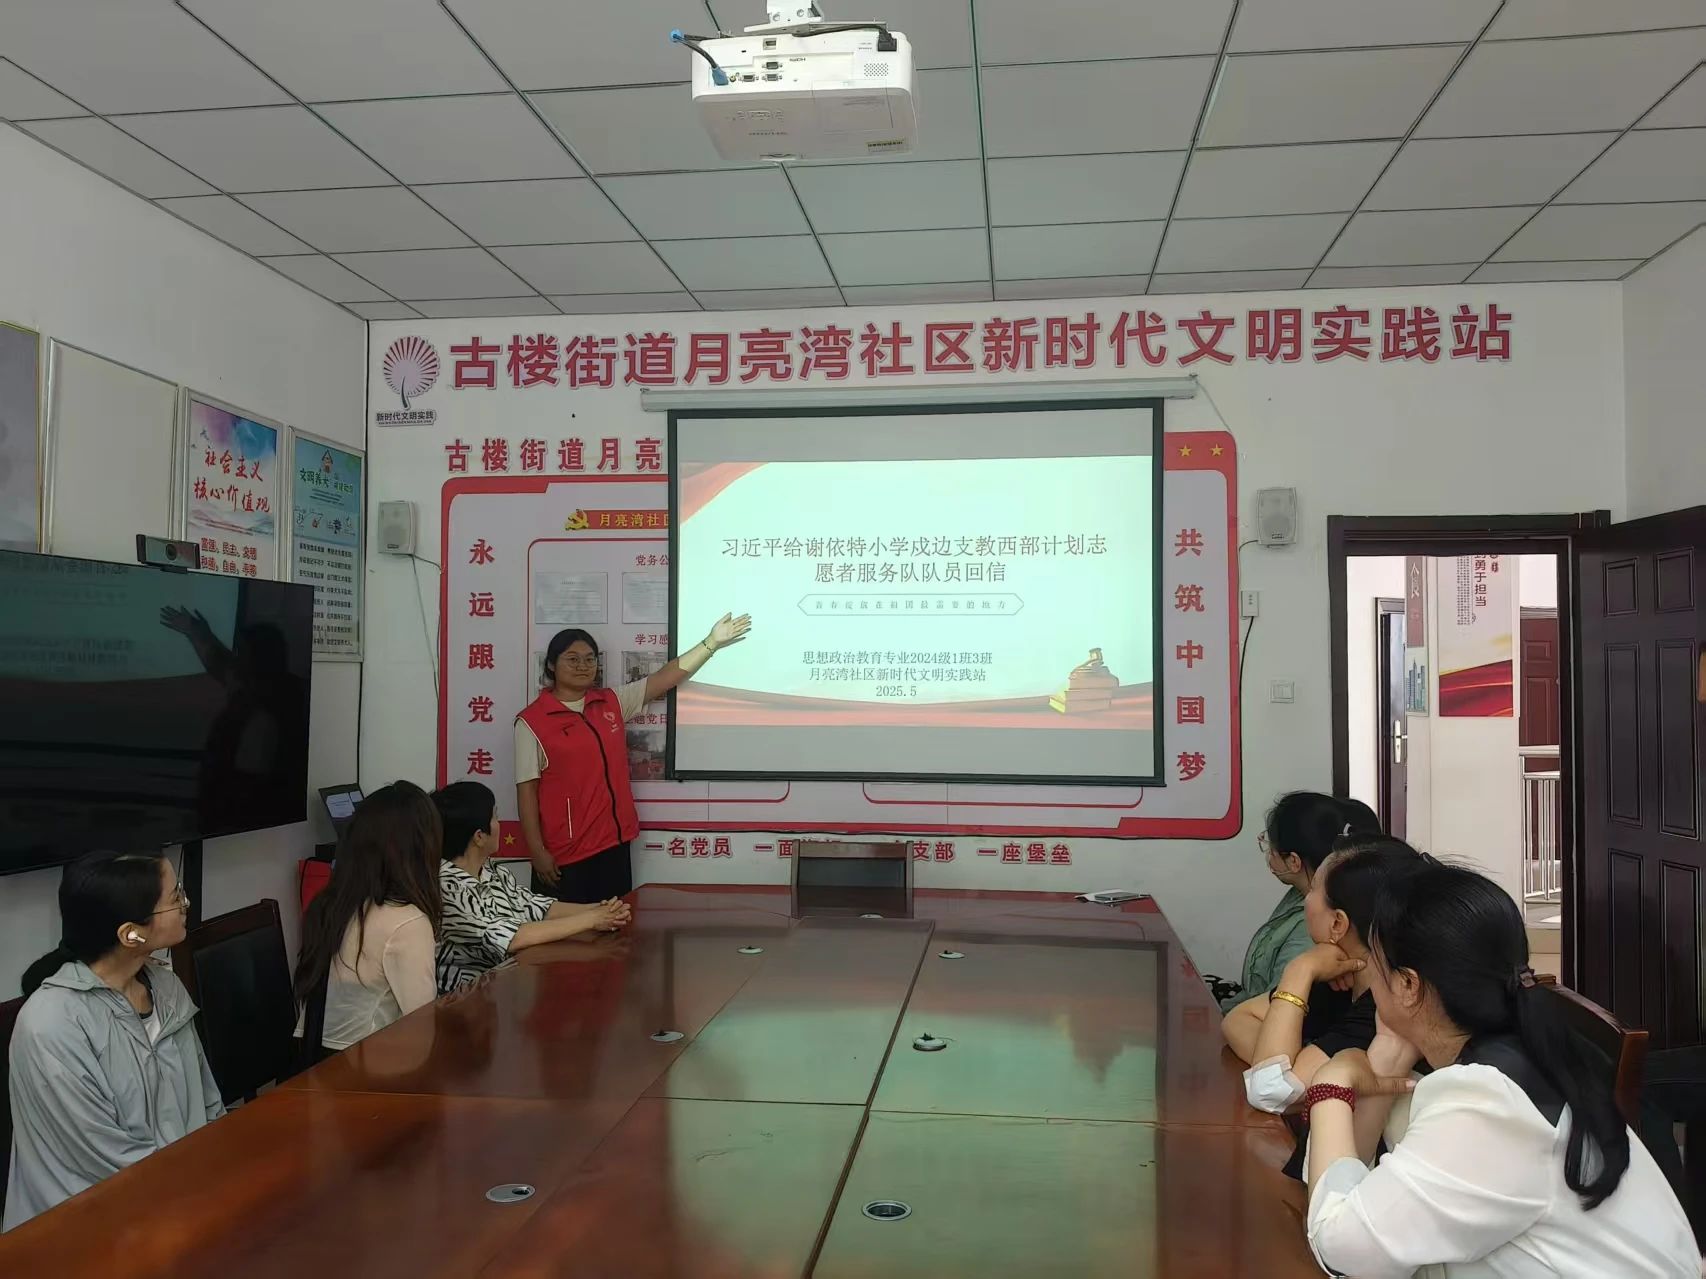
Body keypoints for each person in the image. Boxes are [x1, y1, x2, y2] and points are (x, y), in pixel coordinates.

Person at [1303, 854, 1698, 1278]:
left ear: (1408, 984)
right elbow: (1352, 1191)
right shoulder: (1509, 1050)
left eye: (1374, 963)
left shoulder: (1488, 1101)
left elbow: (1341, 1243)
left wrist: (1331, 1086)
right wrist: (1384, 1055)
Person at [5, 851, 224, 1230]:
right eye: (175, 898)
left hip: (179, 1202)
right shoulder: (52, 1023)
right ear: (131, 934)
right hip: (86, 1230)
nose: (185, 904)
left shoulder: (166, 988)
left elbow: (208, 1105)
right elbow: (107, 1161)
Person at [1223, 834, 1423, 1177]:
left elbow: (1271, 1090)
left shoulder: (1388, 1007)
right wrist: (1295, 1065)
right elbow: (1238, 1019)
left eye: (1313, 889)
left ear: (1338, 924)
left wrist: (1299, 970)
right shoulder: (1339, 977)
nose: (1305, 900)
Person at [516, 614, 751, 903]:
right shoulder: (532, 722)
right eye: (572, 659)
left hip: (614, 845)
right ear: (552, 665)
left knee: (616, 926)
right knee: (569, 931)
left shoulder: (610, 702)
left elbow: (664, 678)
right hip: (567, 854)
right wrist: (537, 851)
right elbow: (526, 792)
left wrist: (711, 643)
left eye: (590, 659)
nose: (583, 666)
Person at [431, 781, 632, 994]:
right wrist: (591, 919)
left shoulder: (491, 870)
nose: (499, 824)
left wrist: (602, 909)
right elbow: (512, 938)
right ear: (479, 837)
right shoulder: (448, 888)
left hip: (498, 992)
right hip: (460, 1001)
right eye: (495, 817)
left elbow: (535, 906)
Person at [294, 780, 442, 1052]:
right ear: (423, 847)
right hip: (363, 1066)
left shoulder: (331, 903)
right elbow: (422, 1032)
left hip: (313, 1060)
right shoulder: (407, 921)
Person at [1217, 792, 1380, 1011]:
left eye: (1271, 845)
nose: (1268, 853)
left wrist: (1301, 970)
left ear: (1294, 861)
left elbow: (1276, 1014)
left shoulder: (1313, 926)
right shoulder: (1301, 894)